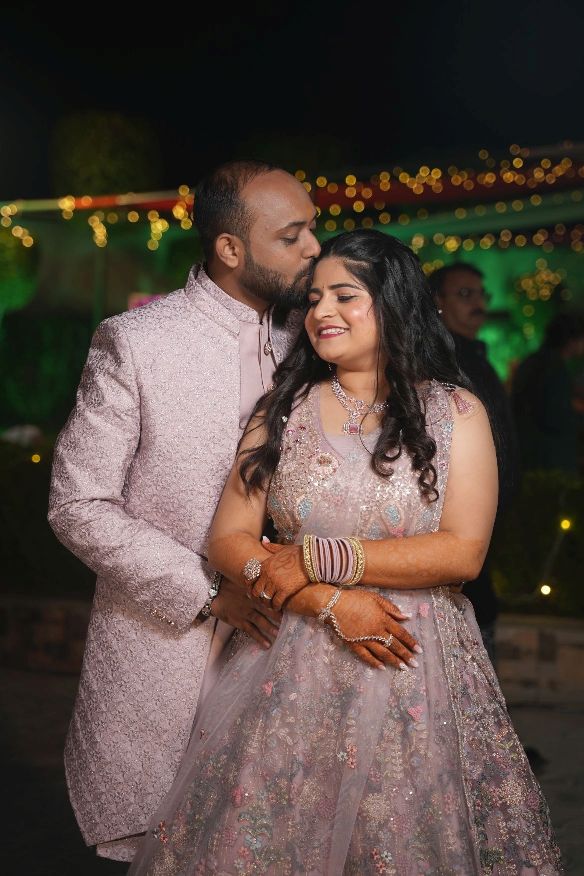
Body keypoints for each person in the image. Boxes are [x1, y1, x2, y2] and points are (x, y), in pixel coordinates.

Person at [129, 230, 561, 875]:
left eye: (343, 295)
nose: (321, 312)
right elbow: (228, 540)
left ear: (393, 303)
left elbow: (463, 552)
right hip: (290, 662)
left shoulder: (455, 411)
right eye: (313, 299)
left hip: (413, 661)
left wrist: (315, 558)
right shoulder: (282, 410)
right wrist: (326, 601)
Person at [48, 160, 414, 863]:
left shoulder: (319, 339)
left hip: (306, 641)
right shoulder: (139, 342)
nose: (315, 249)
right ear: (230, 248)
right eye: (292, 236)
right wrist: (211, 592)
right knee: (164, 847)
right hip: (169, 646)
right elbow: (78, 504)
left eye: (313, 230)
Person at [429, 262, 518, 662]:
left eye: (481, 295)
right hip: (456, 527)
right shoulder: (442, 360)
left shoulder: (475, 355)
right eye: (465, 295)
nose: (478, 304)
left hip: (489, 524)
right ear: (438, 302)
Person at [512, 310, 584, 475]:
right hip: (549, 461)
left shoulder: (532, 361)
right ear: (572, 341)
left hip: (528, 456)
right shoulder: (555, 368)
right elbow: (556, 416)